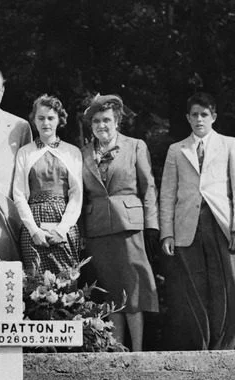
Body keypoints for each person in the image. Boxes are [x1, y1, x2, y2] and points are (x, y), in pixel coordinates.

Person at [160, 92, 235, 350]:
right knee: (194, 287)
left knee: (225, 284)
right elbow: (167, 194)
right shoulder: (176, 150)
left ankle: (224, 345)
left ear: (214, 117)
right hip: (187, 226)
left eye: (205, 115)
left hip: (220, 223)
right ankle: (200, 343)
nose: (199, 120)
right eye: (195, 115)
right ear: (188, 118)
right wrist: (167, 233)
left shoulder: (229, 144)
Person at [80, 94, 158, 351]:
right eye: (96, 121)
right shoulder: (83, 153)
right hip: (98, 229)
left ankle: (137, 352)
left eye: (107, 120)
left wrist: (152, 225)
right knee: (109, 291)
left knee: (133, 289)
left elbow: (148, 188)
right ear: (91, 126)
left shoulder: (135, 146)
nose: (102, 126)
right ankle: (116, 349)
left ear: (117, 122)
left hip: (130, 226)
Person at [13, 94, 82, 274]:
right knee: (35, 285)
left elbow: (76, 195)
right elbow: (19, 194)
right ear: (34, 120)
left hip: (63, 222)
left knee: (67, 286)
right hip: (33, 225)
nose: (46, 123)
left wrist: (62, 230)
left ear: (59, 120)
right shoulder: (25, 152)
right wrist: (34, 230)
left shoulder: (72, 152)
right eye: (41, 118)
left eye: (51, 118)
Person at [0, 65, 33, 260]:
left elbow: (27, 172)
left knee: (7, 265)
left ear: (3, 91)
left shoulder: (20, 126)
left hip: (7, 205)